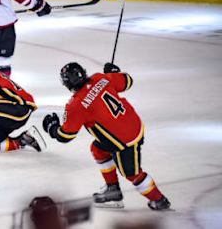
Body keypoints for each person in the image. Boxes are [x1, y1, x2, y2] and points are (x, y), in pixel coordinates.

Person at [42, 62, 171, 211]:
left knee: (132, 174)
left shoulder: (76, 105)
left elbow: (65, 136)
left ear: (66, 83)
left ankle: (159, 200)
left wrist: (52, 128)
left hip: (124, 141)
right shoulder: (100, 78)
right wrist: (114, 73)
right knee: (98, 149)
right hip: (133, 125)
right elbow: (128, 81)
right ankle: (113, 190)